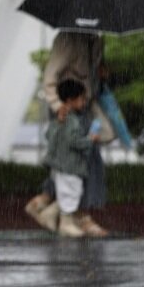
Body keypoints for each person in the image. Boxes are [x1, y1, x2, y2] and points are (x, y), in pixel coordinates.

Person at [24, 31, 112, 237]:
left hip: (83, 107)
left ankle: (45, 205)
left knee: (70, 165)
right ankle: (76, 216)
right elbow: (50, 77)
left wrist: (99, 72)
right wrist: (60, 107)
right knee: (76, 163)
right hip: (68, 110)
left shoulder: (94, 39)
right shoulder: (69, 39)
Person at [44, 80, 101, 238]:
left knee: (70, 191)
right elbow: (73, 141)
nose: (84, 103)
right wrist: (90, 139)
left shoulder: (62, 117)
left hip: (62, 165)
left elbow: (49, 135)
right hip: (70, 165)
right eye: (81, 99)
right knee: (71, 192)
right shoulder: (71, 119)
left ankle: (51, 215)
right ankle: (66, 224)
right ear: (70, 100)